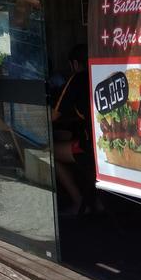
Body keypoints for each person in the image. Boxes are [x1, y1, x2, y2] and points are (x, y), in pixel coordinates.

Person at [52, 43, 97, 216]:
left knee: (51, 153)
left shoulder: (77, 79)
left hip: (89, 147)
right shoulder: (99, 74)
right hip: (103, 147)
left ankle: (79, 202)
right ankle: (97, 201)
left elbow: (54, 115)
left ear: (75, 64)